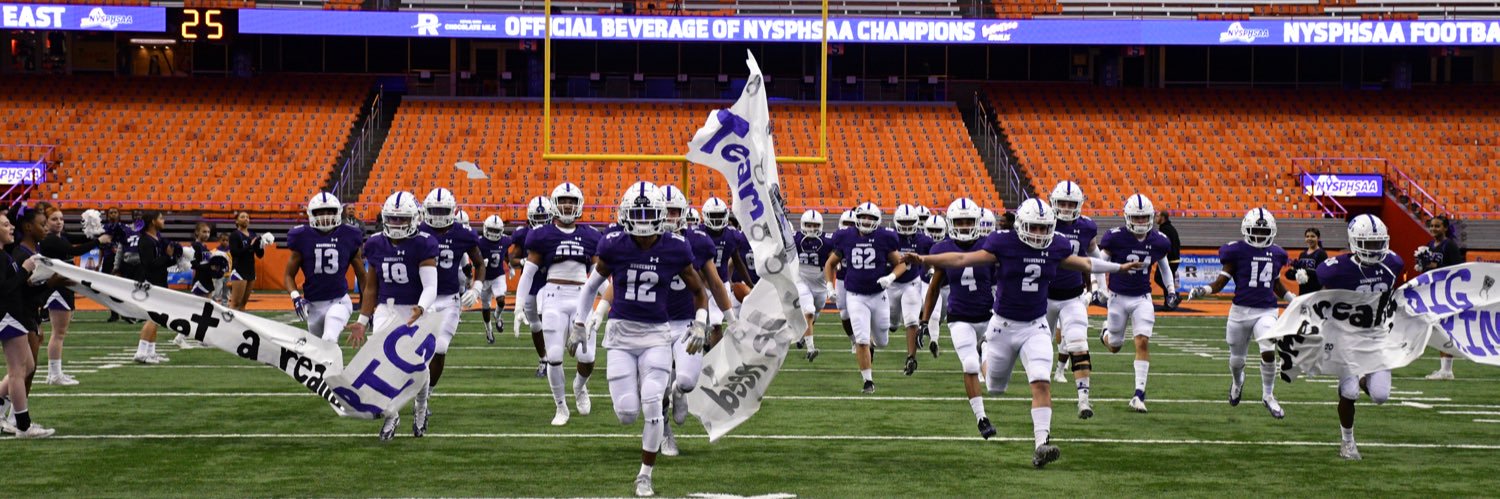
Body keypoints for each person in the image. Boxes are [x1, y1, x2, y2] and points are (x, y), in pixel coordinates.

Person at [909, 198, 1142, 468]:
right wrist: (924, 258)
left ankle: (1041, 444)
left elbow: (1087, 264)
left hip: (1036, 325)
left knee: (1042, 381)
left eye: (1044, 228)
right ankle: (984, 351)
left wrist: (1118, 268)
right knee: (995, 387)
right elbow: (961, 258)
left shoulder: (1056, 245)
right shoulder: (1004, 244)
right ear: (1021, 225)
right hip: (1002, 327)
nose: (1039, 234)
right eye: (1034, 227)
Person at [571, 183, 709, 496]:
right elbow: (591, 286)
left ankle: (645, 474)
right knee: (626, 413)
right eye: (638, 214)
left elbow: (700, 291)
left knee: (652, 405)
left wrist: (700, 323)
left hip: (655, 336)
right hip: (620, 335)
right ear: (626, 215)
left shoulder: (675, 247)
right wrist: (582, 321)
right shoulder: (614, 244)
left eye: (649, 214)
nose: (644, 221)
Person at [646, 184, 731, 457]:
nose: (670, 218)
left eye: (675, 212)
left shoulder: (697, 240)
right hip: (654, 325)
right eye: (666, 211)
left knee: (686, 381)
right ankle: (665, 435)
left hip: (687, 324)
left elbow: (715, 283)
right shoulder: (644, 239)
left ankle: (679, 393)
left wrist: (730, 316)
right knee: (655, 388)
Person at [1188, 208, 1296, 419]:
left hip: (1266, 310)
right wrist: (1203, 290)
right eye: (1256, 230)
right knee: (1237, 360)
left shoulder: (1276, 253)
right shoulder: (1236, 251)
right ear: (1246, 229)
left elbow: (1275, 283)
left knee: (1268, 349)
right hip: (1240, 311)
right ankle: (1238, 382)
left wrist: (1294, 300)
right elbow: (1220, 283)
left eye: (1264, 232)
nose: (1260, 236)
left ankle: (1268, 395)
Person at [351, 191, 439, 442]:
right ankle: (391, 414)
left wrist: (421, 308)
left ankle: (421, 408)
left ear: (414, 218)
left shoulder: (423, 242)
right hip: (387, 309)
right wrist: (362, 320)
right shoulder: (376, 243)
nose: (397, 224)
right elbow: (371, 287)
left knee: (418, 366)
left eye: (402, 219)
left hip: (416, 307)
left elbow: (431, 286)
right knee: (384, 365)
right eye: (392, 218)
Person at [1317, 214, 1403, 460]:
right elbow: (1322, 298)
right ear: (1354, 242)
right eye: (1369, 243)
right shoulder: (1336, 269)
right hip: (1346, 338)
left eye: (1378, 243)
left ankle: (1363, 380)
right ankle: (1347, 442)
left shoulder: (1393, 263)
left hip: (1376, 337)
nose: (1374, 249)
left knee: (1380, 396)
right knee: (1350, 393)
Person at [516, 183, 602, 426]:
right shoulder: (542, 235)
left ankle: (579, 386)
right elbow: (528, 273)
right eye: (563, 201)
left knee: (587, 356)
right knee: (554, 356)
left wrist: (607, 303)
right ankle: (561, 406)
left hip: (581, 298)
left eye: (572, 201)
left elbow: (599, 276)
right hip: (553, 296)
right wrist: (520, 304)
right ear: (555, 203)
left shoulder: (591, 235)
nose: (567, 205)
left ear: (579, 204)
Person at [918, 198, 998, 439]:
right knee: (970, 365)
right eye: (959, 222)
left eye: (968, 221)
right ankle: (982, 418)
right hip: (960, 317)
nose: (964, 226)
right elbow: (933, 288)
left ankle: (984, 347)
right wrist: (924, 321)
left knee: (994, 375)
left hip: (989, 316)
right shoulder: (942, 249)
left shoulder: (989, 245)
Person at [413, 187, 486, 436]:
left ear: (453, 211)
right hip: (422, 298)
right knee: (413, 351)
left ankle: (426, 396)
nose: (438, 216)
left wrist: (476, 288)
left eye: (443, 211)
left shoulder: (462, 233)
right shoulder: (417, 231)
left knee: (441, 348)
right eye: (434, 211)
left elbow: (479, 263)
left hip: (449, 299)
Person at [1096, 194, 1176, 413]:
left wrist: (1170, 290)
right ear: (1127, 217)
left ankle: (1139, 394)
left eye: (1144, 218)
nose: (1140, 222)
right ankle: (1104, 333)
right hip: (1118, 297)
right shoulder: (1115, 237)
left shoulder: (1158, 240)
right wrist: (1100, 289)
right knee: (1115, 346)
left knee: (1142, 341)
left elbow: (1164, 266)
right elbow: (1099, 264)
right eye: (1136, 218)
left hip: (1142, 298)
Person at [825, 202, 910, 394]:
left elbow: (902, 264)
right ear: (857, 218)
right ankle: (868, 381)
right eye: (863, 217)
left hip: (878, 295)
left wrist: (891, 277)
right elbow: (830, 264)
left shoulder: (884, 237)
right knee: (861, 340)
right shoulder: (846, 236)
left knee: (882, 341)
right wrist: (830, 285)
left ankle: (873, 344)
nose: (866, 221)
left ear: (877, 220)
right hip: (855, 296)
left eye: (870, 218)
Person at [1044, 181, 1100, 419]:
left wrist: (1097, 285)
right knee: (1039, 347)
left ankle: (1084, 401)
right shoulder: (1043, 221)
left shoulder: (1086, 227)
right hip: (1042, 297)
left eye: (1071, 204)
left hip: (1072, 295)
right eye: (1062, 203)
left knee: (1078, 343)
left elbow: (1094, 256)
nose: (1066, 208)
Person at [39, 205, 111, 385]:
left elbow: (78, 239)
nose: (59, 222)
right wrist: (98, 242)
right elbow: (74, 251)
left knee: (61, 332)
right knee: (58, 333)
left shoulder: (60, 236)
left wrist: (96, 233)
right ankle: (54, 374)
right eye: (54, 219)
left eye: (61, 219)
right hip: (58, 290)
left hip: (65, 287)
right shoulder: (49, 240)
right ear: (46, 223)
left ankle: (55, 373)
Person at [0, 207, 55, 437]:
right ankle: (23, 425)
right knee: (17, 370)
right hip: (7, 316)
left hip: (13, 315)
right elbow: (4, 290)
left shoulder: (5, 255)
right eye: (4, 225)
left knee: (28, 366)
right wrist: (24, 271)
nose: (11, 227)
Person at [285, 193, 366, 343]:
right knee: (318, 349)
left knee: (329, 339)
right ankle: (337, 368)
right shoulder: (302, 236)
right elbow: (289, 275)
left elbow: (362, 275)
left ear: (338, 212)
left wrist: (368, 305)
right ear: (311, 213)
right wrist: (295, 296)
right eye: (320, 212)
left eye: (329, 211)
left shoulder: (348, 234)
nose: (325, 216)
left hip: (339, 300)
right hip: (313, 304)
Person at [129, 211, 180, 365]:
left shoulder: (156, 239)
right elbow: (150, 264)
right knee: (153, 317)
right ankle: (141, 351)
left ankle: (150, 352)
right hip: (151, 282)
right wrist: (167, 256)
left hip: (160, 280)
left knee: (157, 319)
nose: (163, 220)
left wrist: (174, 258)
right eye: (160, 218)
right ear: (152, 221)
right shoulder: (145, 240)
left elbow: (162, 262)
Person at [889, 204, 934, 376]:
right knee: (891, 324)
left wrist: (930, 268)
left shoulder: (923, 240)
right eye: (903, 222)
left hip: (912, 283)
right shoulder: (890, 237)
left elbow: (930, 256)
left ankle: (911, 358)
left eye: (910, 222)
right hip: (892, 284)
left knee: (911, 320)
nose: (907, 226)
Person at [699, 197, 751, 347]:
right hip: (701, 284)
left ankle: (714, 356)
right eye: (713, 216)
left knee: (716, 323)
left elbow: (737, 260)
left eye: (719, 215)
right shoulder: (698, 234)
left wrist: (749, 283)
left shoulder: (732, 235)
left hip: (721, 283)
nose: (716, 219)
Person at [1420, 215, 1466, 380]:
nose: (1433, 229)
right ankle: (1444, 369)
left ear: (1445, 228)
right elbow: (1428, 269)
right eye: (1432, 226)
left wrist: (1437, 266)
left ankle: (1447, 370)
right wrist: (1422, 265)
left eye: (1437, 226)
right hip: (1433, 292)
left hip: (1447, 292)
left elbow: (1457, 269)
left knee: (1444, 329)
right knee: (1437, 329)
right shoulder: (1430, 245)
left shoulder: (1450, 245)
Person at [512, 195, 554, 375]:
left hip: (549, 283)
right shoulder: (523, 234)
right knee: (535, 325)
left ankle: (553, 358)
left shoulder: (556, 232)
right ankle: (543, 359)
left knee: (550, 320)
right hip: (530, 284)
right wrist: (523, 262)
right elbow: (512, 259)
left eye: (543, 217)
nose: (540, 222)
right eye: (536, 218)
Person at [795, 210, 834, 361]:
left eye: (815, 225)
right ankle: (811, 349)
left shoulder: (828, 241)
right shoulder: (794, 239)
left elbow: (834, 258)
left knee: (814, 314)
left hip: (819, 284)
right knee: (809, 311)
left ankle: (803, 336)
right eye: (808, 225)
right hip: (801, 279)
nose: (811, 228)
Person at [478, 214, 512, 344]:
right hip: (483, 278)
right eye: (491, 230)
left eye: (496, 231)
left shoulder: (504, 241)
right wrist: (479, 262)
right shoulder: (480, 242)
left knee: (501, 300)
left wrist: (508, 263)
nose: (493, 234)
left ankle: (497, 317)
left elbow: (505, 252)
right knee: (485, 307)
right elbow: (474, 257)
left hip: (498, 275)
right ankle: (489, 330)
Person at [228, 211, 269, 311]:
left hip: (251, 271)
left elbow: (259, 255)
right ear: (237, 221)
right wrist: (250, 246)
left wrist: (262, 245)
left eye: (247, 217)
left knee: (243, 304)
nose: (246, 218)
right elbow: (235, 253)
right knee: (235, 303)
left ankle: (239, 326)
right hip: (239, 270)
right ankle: (228, 324)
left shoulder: (252, 234)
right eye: (242, 217)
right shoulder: (235, 235)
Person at [1153, 210, 1183, 308]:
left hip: (1170, 259)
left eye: (1157, 216)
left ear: (1163, 217)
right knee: (1167, 280)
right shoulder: (1169, 228)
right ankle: (1169, 303)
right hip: (1174, 259)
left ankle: (1174, 296)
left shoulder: (1165, 229)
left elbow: (1164, 245)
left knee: (1158, 278)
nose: (1155, 218)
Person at [1286, 227, 1328, 294]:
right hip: (1302, 292)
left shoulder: (1322, 254)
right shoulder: (1302, 254)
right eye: (1307, 236)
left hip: (1316, 292)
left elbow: (1321, 273)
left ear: (1318, 238)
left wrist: (1305, 271)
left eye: (1312, 236)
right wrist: (1292, 273)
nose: (1309, 239)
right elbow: (1298, 272)